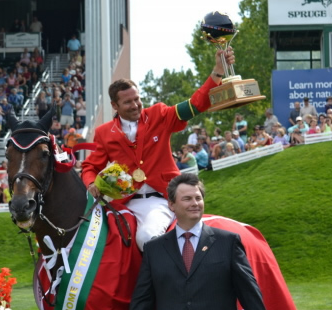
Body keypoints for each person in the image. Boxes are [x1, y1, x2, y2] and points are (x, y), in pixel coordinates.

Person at [82, 47, 235, 251]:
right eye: (128, 102)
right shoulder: (104, 132)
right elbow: (90, 166)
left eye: (137, 99)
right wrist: (92, 183)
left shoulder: (160, 114)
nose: (136, 105)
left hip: (161, 199)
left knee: (147, 237)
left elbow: (195, 104)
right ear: (114, 106)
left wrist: (217, 71)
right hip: (124, 203)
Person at [128, 173, 268, 310]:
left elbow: (250, 296)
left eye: (198, 198)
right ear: (171, 205)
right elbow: (142, 303)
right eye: (187, 199)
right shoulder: (153, 249)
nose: (194, 203)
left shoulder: (228, 242)